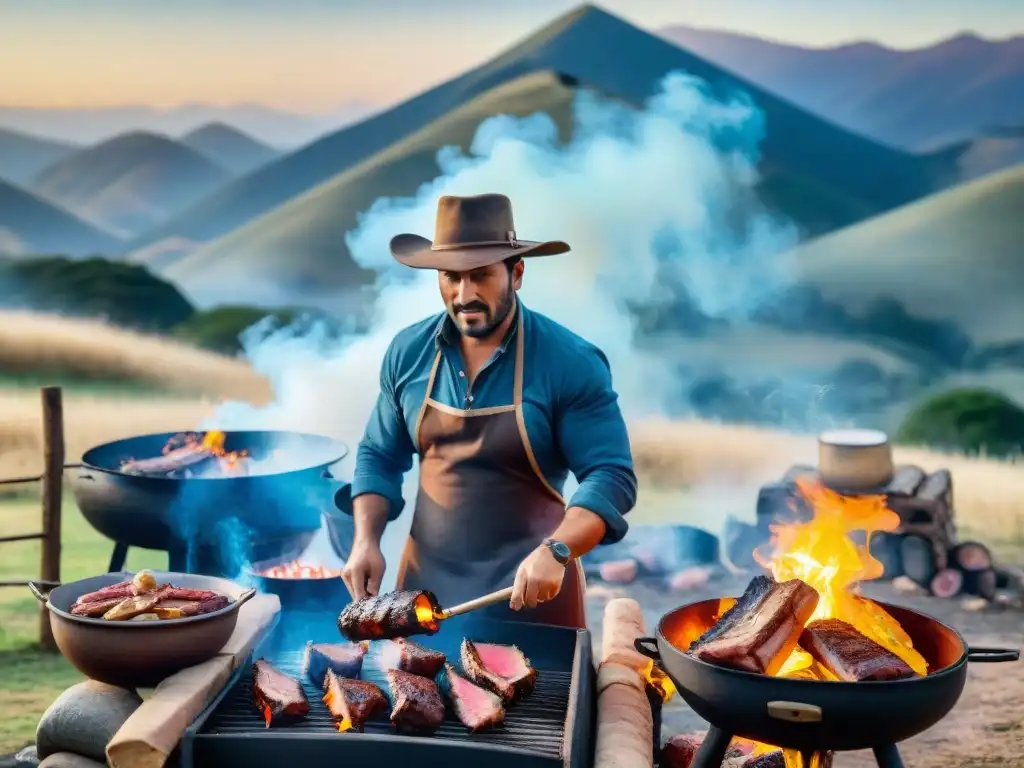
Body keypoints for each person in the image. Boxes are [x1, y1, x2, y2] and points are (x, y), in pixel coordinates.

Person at [341, 193, 637, 628]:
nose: (464, 295)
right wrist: (365, 540)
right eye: (450, 278)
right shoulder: (408, 352)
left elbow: (611, 476)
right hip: (423, 601)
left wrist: (558, 550)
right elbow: (379, 455)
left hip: (534, 596)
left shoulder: (569, 361)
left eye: (480, 276)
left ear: (516, 273)